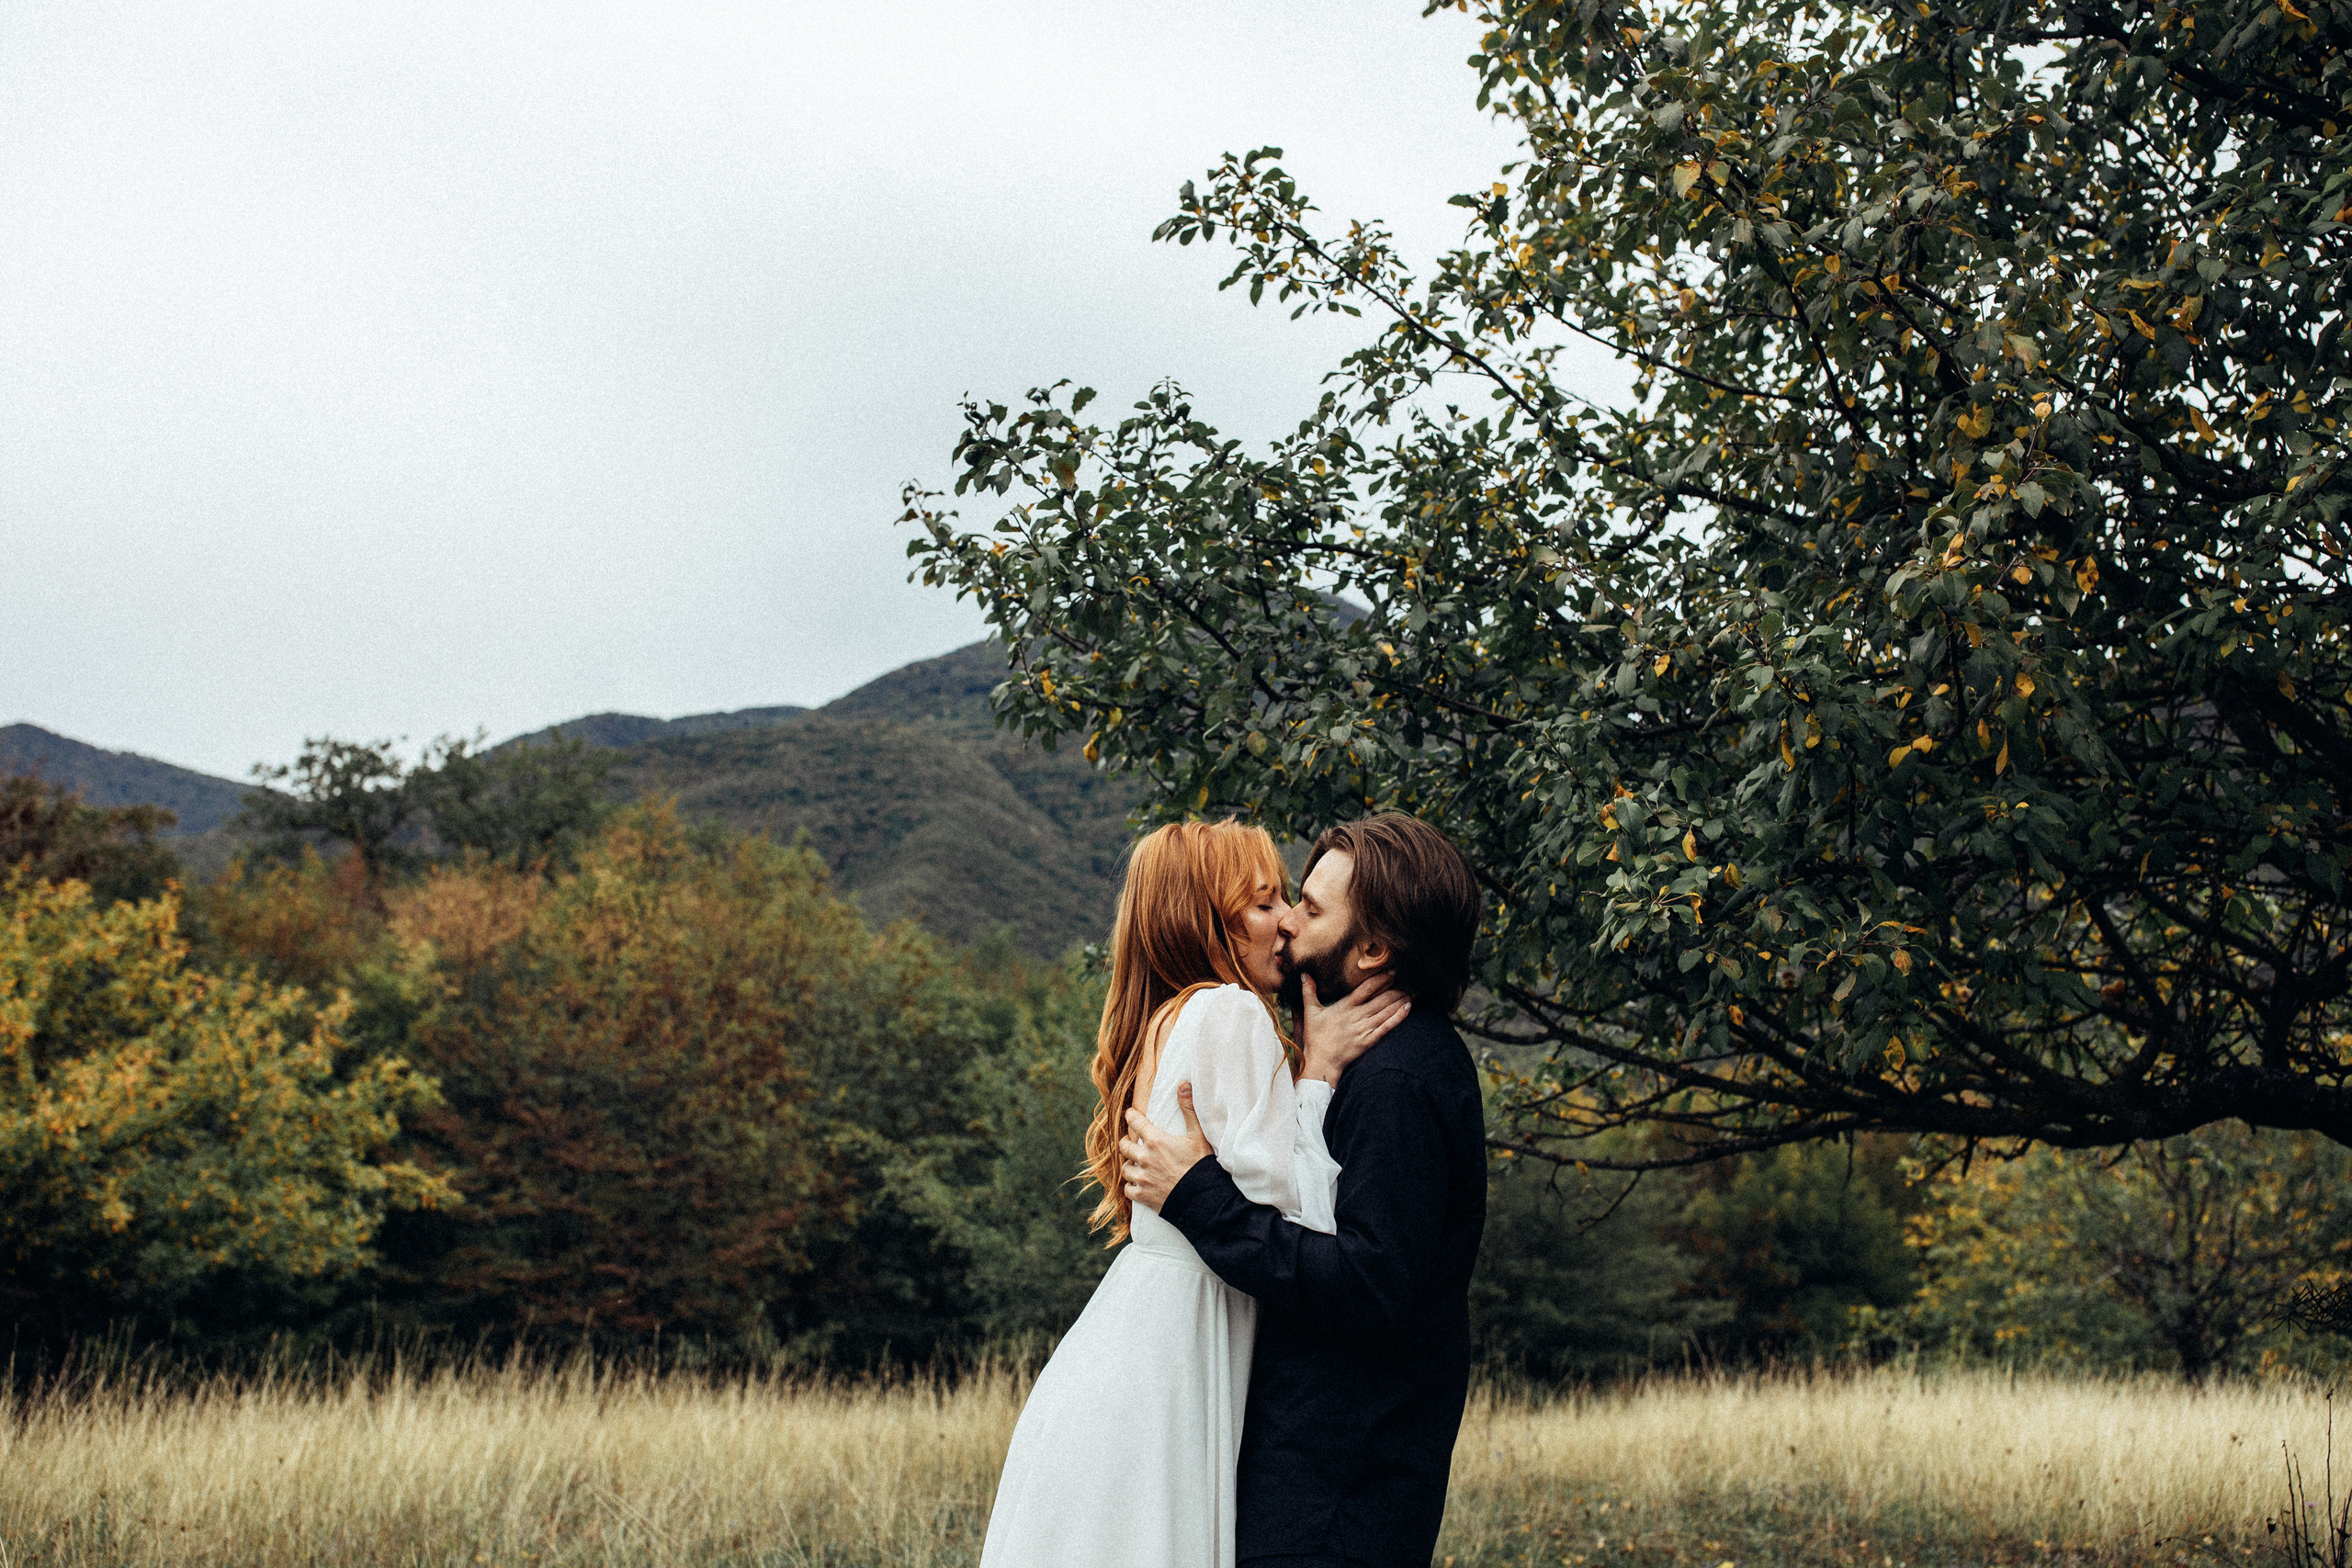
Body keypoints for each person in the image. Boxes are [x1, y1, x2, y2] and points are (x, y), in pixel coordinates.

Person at [977, 819, 1410, 1568]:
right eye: (1262, 902)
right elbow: (1303, 1216)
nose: (1284, 924)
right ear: (1204, 917)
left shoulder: (1165, 1021)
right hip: (1175, 1357)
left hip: (1124, 1338)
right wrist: (1320, 1074)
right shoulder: (1230, 1014)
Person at [1121, 813, 1487, 1568]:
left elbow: (1370, 1284)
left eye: (1311, 909)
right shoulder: (1369, 1062)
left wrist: (1198, 1197)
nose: (1285, 918)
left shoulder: (1399, 1081)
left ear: (1374, 949)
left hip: (1337, 1506)